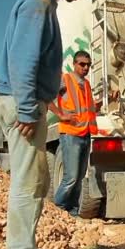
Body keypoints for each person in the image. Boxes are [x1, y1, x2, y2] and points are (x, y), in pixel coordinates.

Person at [0, 0, 96, 249]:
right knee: (26, 185)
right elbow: (23, 62)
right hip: (23, 106)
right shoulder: (36, 3)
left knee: (36, 183)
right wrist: (26, 109)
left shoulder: (45, 5)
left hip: (32, 104)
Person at [48, 51, 98, 217]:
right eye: (82, 64)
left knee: (79, 179)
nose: (85, 68)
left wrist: (109, 100)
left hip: (85, 134)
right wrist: (60, 114)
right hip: (70, 134)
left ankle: (73, 213)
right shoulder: (66, 79)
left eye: (88, 65)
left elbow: (88, 109)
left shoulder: (87, 85)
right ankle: (58, 211)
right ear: (75, 64)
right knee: (70, 177)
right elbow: (47, 97)